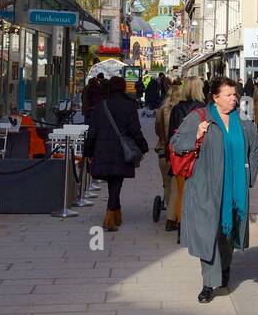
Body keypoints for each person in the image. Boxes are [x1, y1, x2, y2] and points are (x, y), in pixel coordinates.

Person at [173, 76, 258, 303]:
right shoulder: (199, 118)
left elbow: (253, 148)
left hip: (234, 189)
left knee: (228, 232)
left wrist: (250, 176)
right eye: (228, 95)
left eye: (235, 95)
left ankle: (226, 266)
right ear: (215, 97)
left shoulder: (242, 121)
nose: (234, 99)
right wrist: (197, 135)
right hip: (206, 188)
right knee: (208, 234)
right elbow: (176, 143)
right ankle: (209, 283)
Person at [83, 75, 148, 232]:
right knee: (116, 180)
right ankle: (110, 216)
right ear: (124, 87)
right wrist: (143, 146)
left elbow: (92, 132)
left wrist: (88, 151)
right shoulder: (129, 105)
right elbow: (135, 130)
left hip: (103, 148)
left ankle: (116, 213)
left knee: (113, 181)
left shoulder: (100, 106)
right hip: (121, 149)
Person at [161, 76, 206, 231]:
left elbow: (171, 135)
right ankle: (184, 224)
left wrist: (169, 155)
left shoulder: (177, 108)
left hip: (180, 154)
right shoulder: (203, 108)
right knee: (194, 191)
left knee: (179, 189)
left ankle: (175, 221)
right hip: (198, 154)